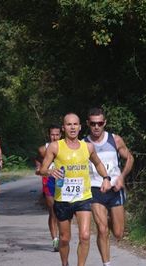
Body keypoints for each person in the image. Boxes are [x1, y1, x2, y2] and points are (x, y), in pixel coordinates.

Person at [39, 112, 111, 266]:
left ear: (80, 127)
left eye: (75, 124)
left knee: (85, 236)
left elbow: (97, 163)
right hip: (63, 199)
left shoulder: (88, 147)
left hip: (83, 197)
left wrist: (106, 178)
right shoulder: (55, 146)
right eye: (68, 124)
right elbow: (42, 169)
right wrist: (51, 171)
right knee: (65, 238)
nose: (72, 127)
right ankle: (65, 263)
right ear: (64, 128)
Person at [84, 107, 134, 266]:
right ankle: (107, 263)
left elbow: (130, 158)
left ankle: (109, 217)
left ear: (104, 123)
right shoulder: (83, 144)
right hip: (95, 189)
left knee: (118, 233)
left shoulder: (115, 139)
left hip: (115, 189)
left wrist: (121, 177)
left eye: (99, 123)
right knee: (102, 229)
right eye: (93, 123)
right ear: (88, 124)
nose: (96, 127)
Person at [35, 124, 62, 252]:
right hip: (48, 179)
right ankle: (55, 239)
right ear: (49, 135)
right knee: (53, 210)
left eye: (57, 134)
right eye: (52, 134)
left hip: (63, 180)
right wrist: (38, 169)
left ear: (61, 135)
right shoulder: (42, 149)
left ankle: (63, 236)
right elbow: (38, 162)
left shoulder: (66, 147)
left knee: (62, 210)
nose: (55, 137)